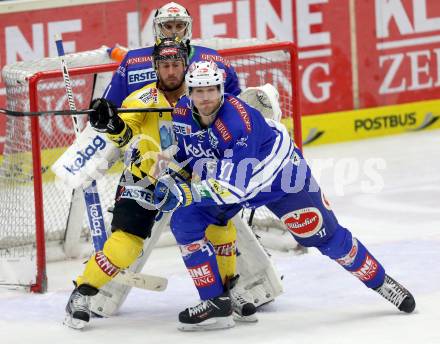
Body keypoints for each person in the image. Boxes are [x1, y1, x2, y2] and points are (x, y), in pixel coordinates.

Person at [152, 60, 416, 331]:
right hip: (233, 179)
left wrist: (183, 192)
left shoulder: (237, 122)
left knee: (326, 238)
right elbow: (190, 155)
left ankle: (382, 282)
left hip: (282, 180)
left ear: (221, 89)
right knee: (185, 221)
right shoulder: (182, 111)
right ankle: (215, 304)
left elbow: (233, 190)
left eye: (211, 90)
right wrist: (167, 172)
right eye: (199, 91)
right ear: (189, 93)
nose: (205, 98)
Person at [63, 38, 255, 330]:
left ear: (185, 65)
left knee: (221, 227)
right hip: (146, 176)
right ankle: (81, 294)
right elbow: (126, 136)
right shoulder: (139, 100)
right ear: (155, 67)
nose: (171, 71)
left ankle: (228, 292)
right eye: (164, 65)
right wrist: (111, 123)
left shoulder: (203, 97)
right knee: (125, 245)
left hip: (193, 178)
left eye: (176, 64)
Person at [103, 1, 240, 107]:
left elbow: (237, 103)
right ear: (158, 28)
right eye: (168, 26)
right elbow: (110, 106)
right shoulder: (132, 62)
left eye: (180, 26)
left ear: (187, 28)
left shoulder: (215, 60)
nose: (174, 32)